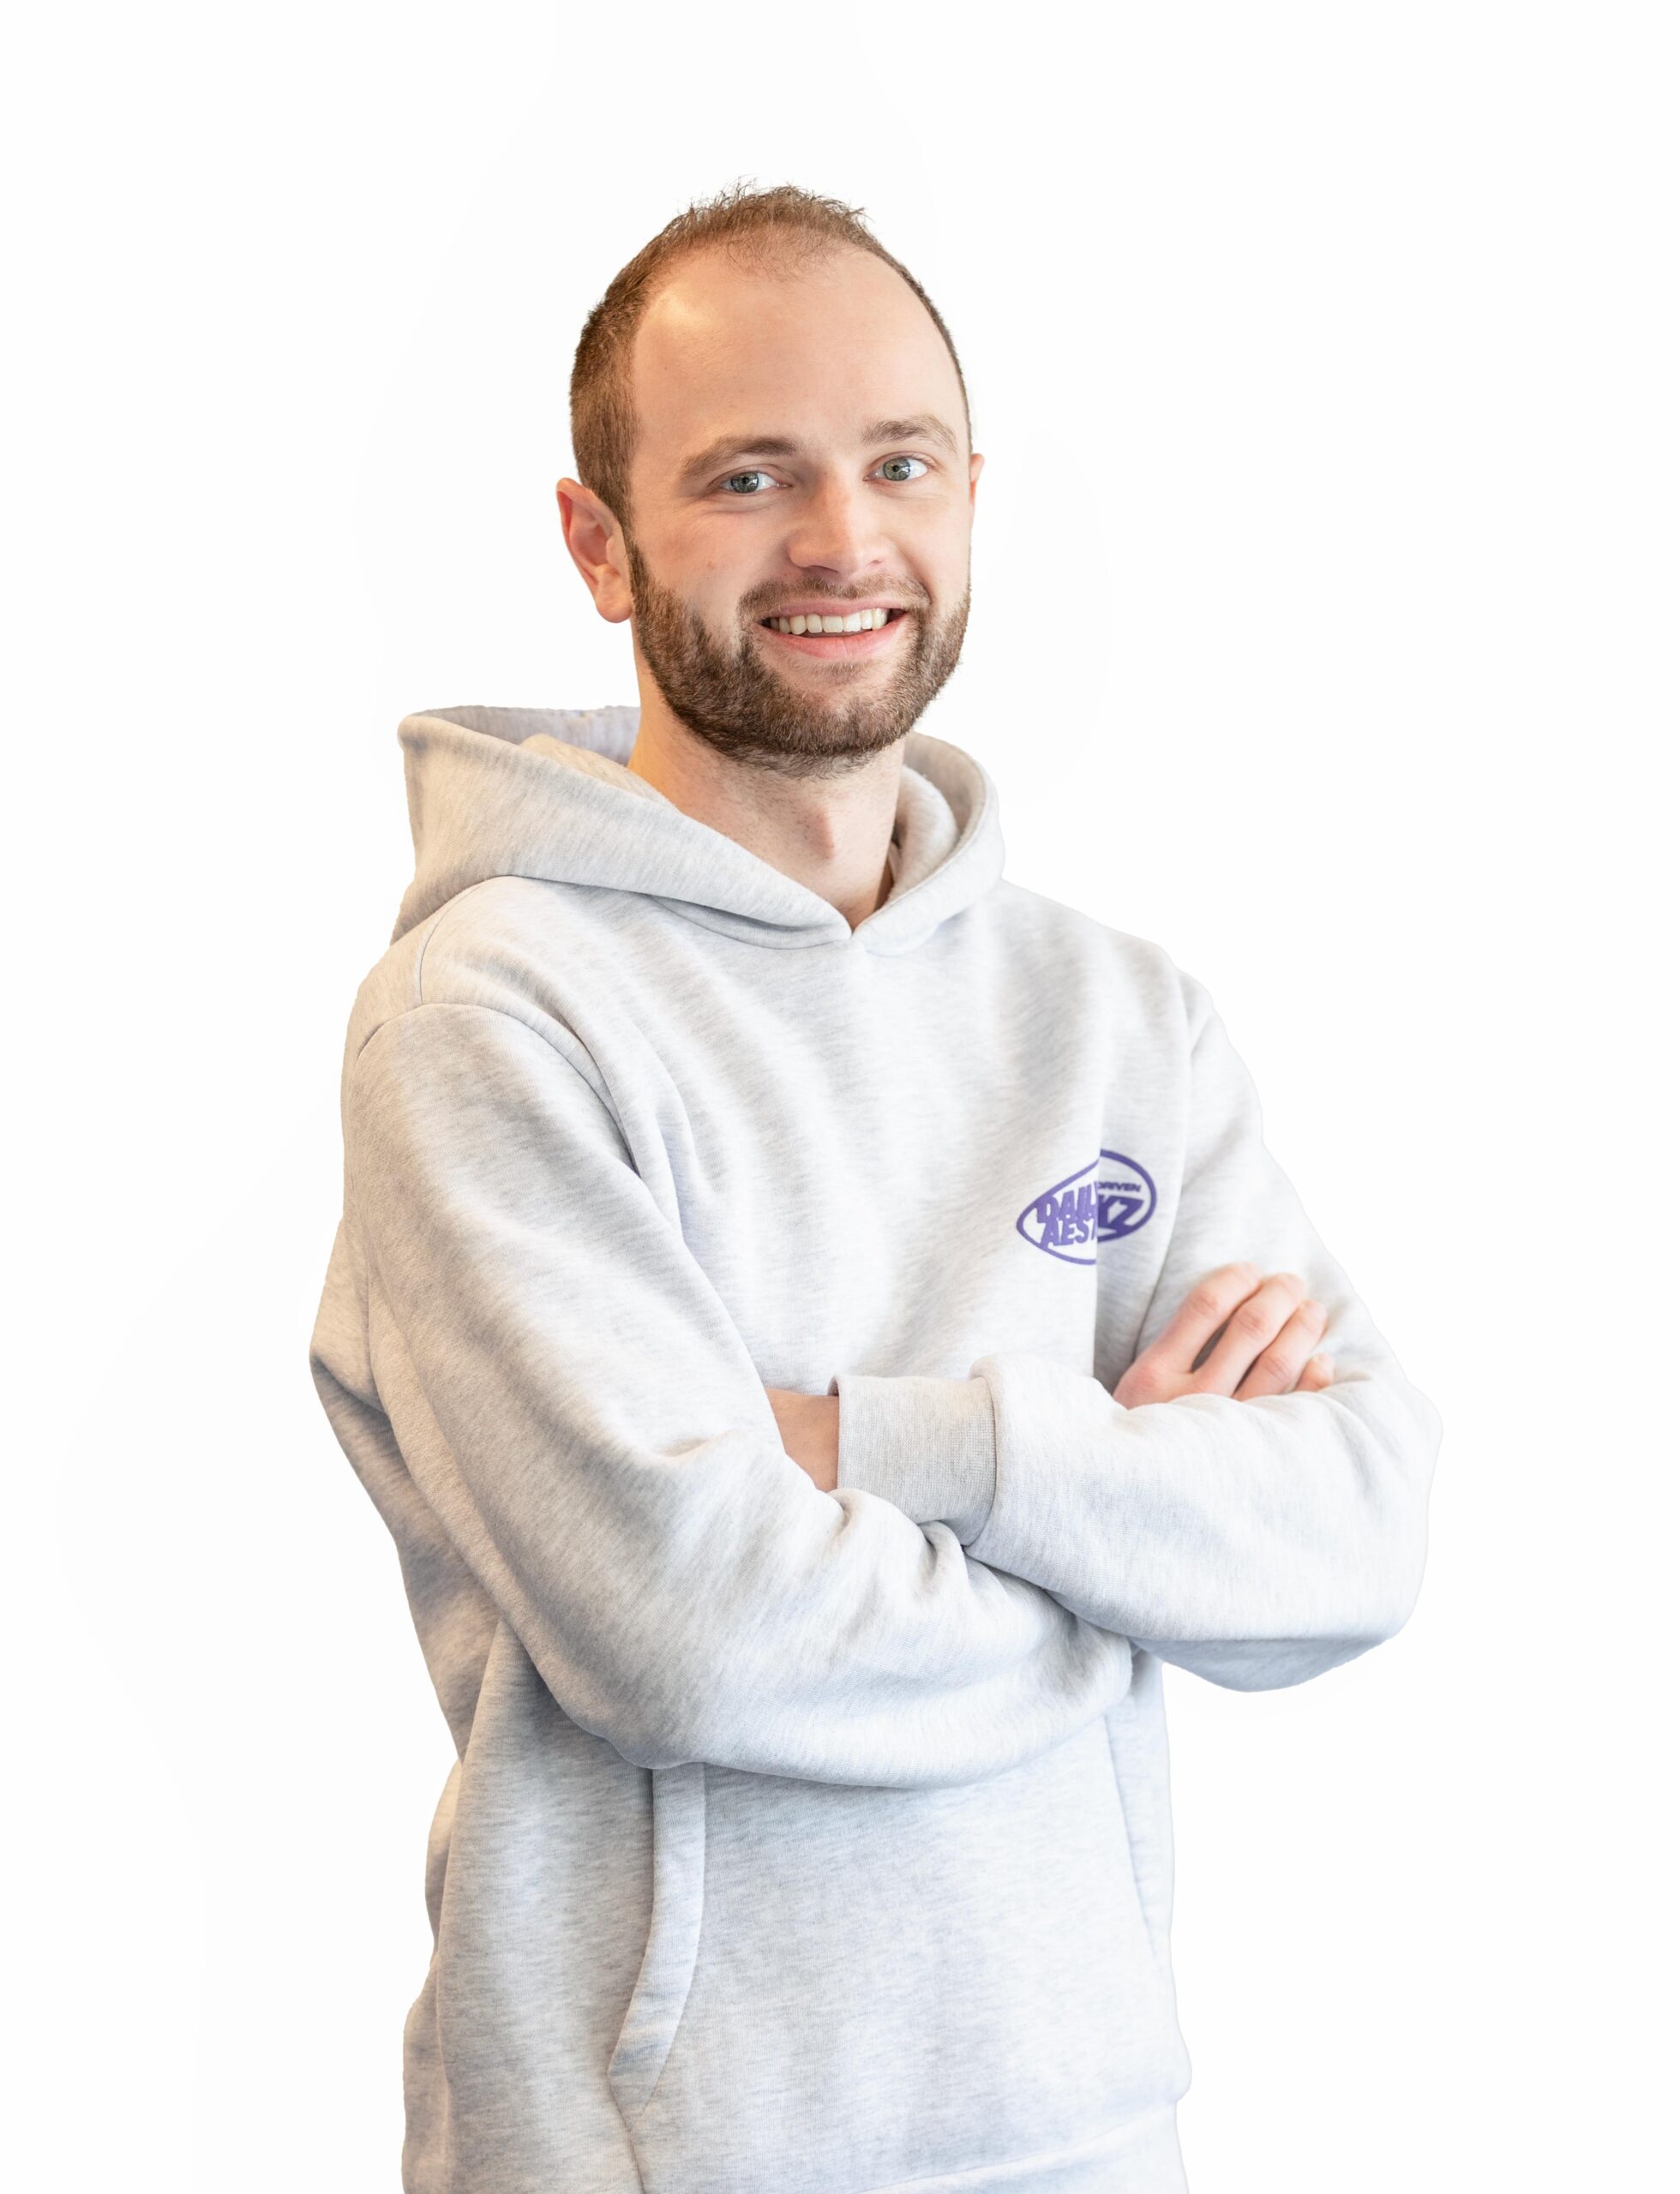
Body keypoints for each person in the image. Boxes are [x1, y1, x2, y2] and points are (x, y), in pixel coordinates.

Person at [308, 180, 1442, 2194]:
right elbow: (696, 1628)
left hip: (1094, 2137)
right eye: (746, 476)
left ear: (971, 496)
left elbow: (1351, 1531)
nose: (841, 540)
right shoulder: (488, 1015)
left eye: (897, 462)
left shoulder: (1119, 1015)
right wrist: (1124, 1528)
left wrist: (877, 1445)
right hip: (656, 2155)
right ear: (597, 540)